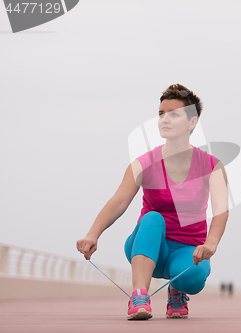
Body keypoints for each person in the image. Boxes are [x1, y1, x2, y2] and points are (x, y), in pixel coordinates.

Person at [76, 84, 229, 320]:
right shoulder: (144, 163)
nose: (164, 119)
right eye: (161, 114)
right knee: (153, 218)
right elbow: (118, 202)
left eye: (173, 114)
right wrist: (92, 234)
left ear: (192, 122)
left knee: (194, 278)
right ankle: (139, 296)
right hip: (147, 247)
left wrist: (212, 243)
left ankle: (177, 289)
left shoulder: (211, 165)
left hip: (188, 250)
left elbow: (220, 210)